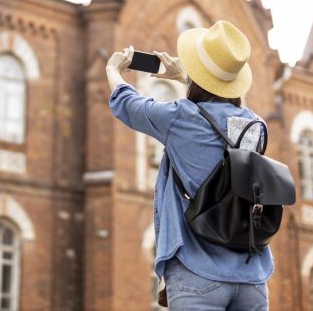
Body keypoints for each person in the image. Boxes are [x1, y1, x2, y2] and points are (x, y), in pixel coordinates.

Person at [106, 20, 271, 310]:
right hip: (252, 276)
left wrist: (113, 71)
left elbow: (128, 104)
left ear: (197, 75)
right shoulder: (255, 125)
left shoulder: (180, 119)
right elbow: (219, 110)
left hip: (198, 272)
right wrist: (188, 77)